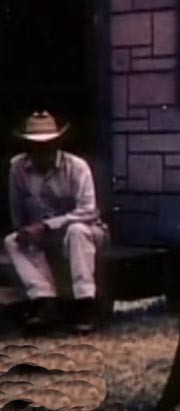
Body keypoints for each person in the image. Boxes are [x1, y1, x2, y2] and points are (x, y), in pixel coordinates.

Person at [3, 111, 108, 333]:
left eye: (48, 145)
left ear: (57, 143)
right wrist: (26, 232)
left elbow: (88, 211)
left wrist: (47, 226)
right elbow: (17, 212)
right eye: (36, 146)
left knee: (77, 231)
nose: (42, 151)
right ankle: (45, 300)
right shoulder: (18, 167)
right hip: (42, 235)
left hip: (86, 230)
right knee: (13, 241)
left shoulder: (77, 167)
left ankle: (85, 304)